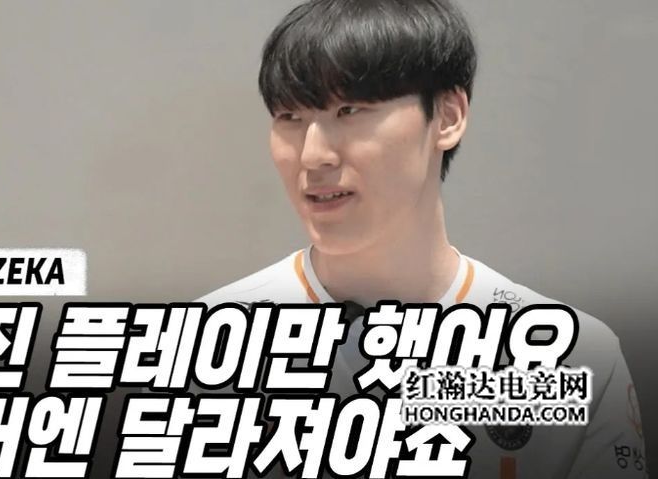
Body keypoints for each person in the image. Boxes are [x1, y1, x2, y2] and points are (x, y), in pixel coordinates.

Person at [198, 0, 648, 477]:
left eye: (350, 109)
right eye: (289, 117)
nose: (313, 155)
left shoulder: (571, 357)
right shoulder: (202, 350)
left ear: (448, 116)